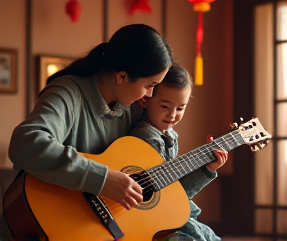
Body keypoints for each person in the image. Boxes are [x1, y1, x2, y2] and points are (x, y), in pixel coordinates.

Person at [3, 23, 220, 240]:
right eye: (149, 85)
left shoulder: (133, 107)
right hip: (52, 221)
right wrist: (103, 179)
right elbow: (26, 143)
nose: (150, 94)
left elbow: (157, 184)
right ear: (122, 77)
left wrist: (204, 168)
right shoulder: (67, 93)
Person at [130, 62, 228, 241]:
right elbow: (165, 197)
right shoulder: (145, 138)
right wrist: (205, 170)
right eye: (165, 106)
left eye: (180, 108)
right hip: (156, 221)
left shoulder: (170, 135)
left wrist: (208, 168)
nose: (172, 115)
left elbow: (175, 190)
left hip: (173, 212)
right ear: (146, 99)